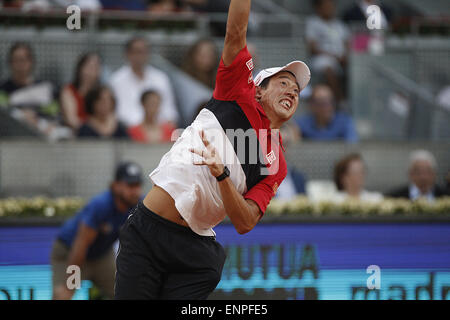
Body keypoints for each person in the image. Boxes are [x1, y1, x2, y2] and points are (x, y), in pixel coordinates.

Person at [114, 0, 311, 300]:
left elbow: (245, 221)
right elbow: (236, 30)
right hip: (147, 231)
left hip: (193, 251)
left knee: (211, 263)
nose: (291, 92)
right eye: (283, 83)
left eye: (296, 91)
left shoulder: (277, 163)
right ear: (258, 89)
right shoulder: (237, 93)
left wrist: (222, 177)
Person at [51, 161, 143, 300]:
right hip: (70, 253)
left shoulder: (137, 204)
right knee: (63, 295)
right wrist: (70, 284)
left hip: (101, 256)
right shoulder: (101, 206)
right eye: (130, 185)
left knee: (127, 293)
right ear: (115, 186)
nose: (135, 191)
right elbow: (80, 246)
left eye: (138, 185)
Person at [0, 42, 65, 139]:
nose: (19, 65)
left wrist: (37, 118)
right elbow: (4, 114)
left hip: (45, 134)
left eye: (22, 60)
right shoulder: (3, 90)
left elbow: (56, 113)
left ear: (31, 62)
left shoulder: (46, 88)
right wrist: (23, 116)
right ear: (10, 63)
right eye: (15, 60)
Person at [109, 36, 179, 127]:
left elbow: (170, 113)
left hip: (158, 133)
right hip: (126, 133)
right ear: (127, 54)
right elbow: (113, 114)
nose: (140, 56)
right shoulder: (116, 80)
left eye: (144, 52)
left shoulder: (161, 78)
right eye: (136, 52)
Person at [306, 0, 350, 104]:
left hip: (341, 59)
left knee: (356, 67)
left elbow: (347, 44)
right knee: (328, 69)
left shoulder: (341, 25)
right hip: (321, 58)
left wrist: (344, 56)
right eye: (326, 6)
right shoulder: (313, 23)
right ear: (319, 8)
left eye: (331, 6)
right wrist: (333, 56)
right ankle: (338, 101)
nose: (329, 9)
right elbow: (312, 48)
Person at [60, 52, 102, 131]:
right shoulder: (69, 91)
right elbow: (71, 120)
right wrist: (90, 129)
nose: (92, 71)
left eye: (96, 67)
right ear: (80, 68)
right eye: (89, 67)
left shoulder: (102, 92)